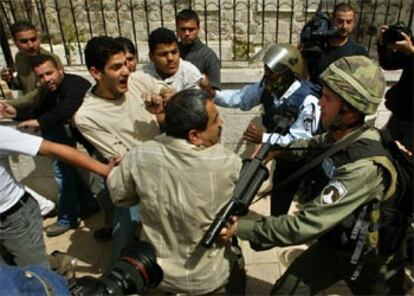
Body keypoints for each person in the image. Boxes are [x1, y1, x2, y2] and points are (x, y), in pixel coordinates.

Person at [220, 56, 409, 294]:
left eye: (328, 99)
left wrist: (242, 228)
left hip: (372, 259)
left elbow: (304, 225)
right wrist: (276, 150)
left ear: (349, 112)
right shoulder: (340, 136)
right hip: (336, 243)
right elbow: (311, 145)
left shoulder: (364, 167)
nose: (319, 104)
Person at [107, 89, 245, 294]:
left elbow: (120, 196)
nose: (221, 123)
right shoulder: (229, 163)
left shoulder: (138, 156)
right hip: (207, 278)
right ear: (194, 136)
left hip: (157, 275)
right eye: (216, 119)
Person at [74, 36, 168, 264]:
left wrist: (162, 107)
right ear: (96, 73)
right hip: (138, 181)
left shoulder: (137, 80)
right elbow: (125, 160)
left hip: (167, 167)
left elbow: (170, 94)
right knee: (126, 233)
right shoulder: (87, 116)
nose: (126, 71)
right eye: (116, 67)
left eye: (126, 63)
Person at [202, 43, 321, 217]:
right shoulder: (268, 86)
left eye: (271, 71)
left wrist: (264, 138)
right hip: (281, 152)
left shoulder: (307, 100)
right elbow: (240, 98)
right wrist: (214, 95)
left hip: (305, 158)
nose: (267, 75)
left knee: (309, 200)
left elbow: (301, 142)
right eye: (266, 69)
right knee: (271, 187)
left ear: (288, 73)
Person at [0, 54, 99, 237]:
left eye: (49, 73)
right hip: (84, 139)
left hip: (101, 143)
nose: (46, 79)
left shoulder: (75, 84)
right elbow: (41, 110)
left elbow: (66, 109)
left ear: (60, 69)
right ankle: (88, 204)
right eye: (41, 76)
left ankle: (73, 218)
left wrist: (40, 122)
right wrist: (15, 115)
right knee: (65, 169)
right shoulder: (49, 89)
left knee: (97, 185)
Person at [0, 125, 112, 269]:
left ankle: (61, 266)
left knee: (37, 276)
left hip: (15, 219)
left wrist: (103, 170)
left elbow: (54, 150)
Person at [305, 3, 368, 84]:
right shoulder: (316, 47)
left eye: (349, 22)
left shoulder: (359, 52)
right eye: (340, 21)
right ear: (332, 21)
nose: (344, 26)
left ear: (353, 23)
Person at [377, 24, 413, 152]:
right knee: (385, 152)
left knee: (407, 162)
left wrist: (412, 52)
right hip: (399, 114)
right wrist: (382, 44)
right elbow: (388, 63)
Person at [142, 27, 203, 91]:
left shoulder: (190, 74)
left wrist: (176, 98)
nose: (170, 58)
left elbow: (196, 100)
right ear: (151, 57)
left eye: (174, 52)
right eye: (163, 54)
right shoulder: (144, 74)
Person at [176, 8, 221, 90]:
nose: (187, 33)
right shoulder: (172, 52)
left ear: (198, 29)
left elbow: (215, 93)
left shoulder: (209, 57)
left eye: (191, 29)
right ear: (177, 29)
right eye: (183, 29)